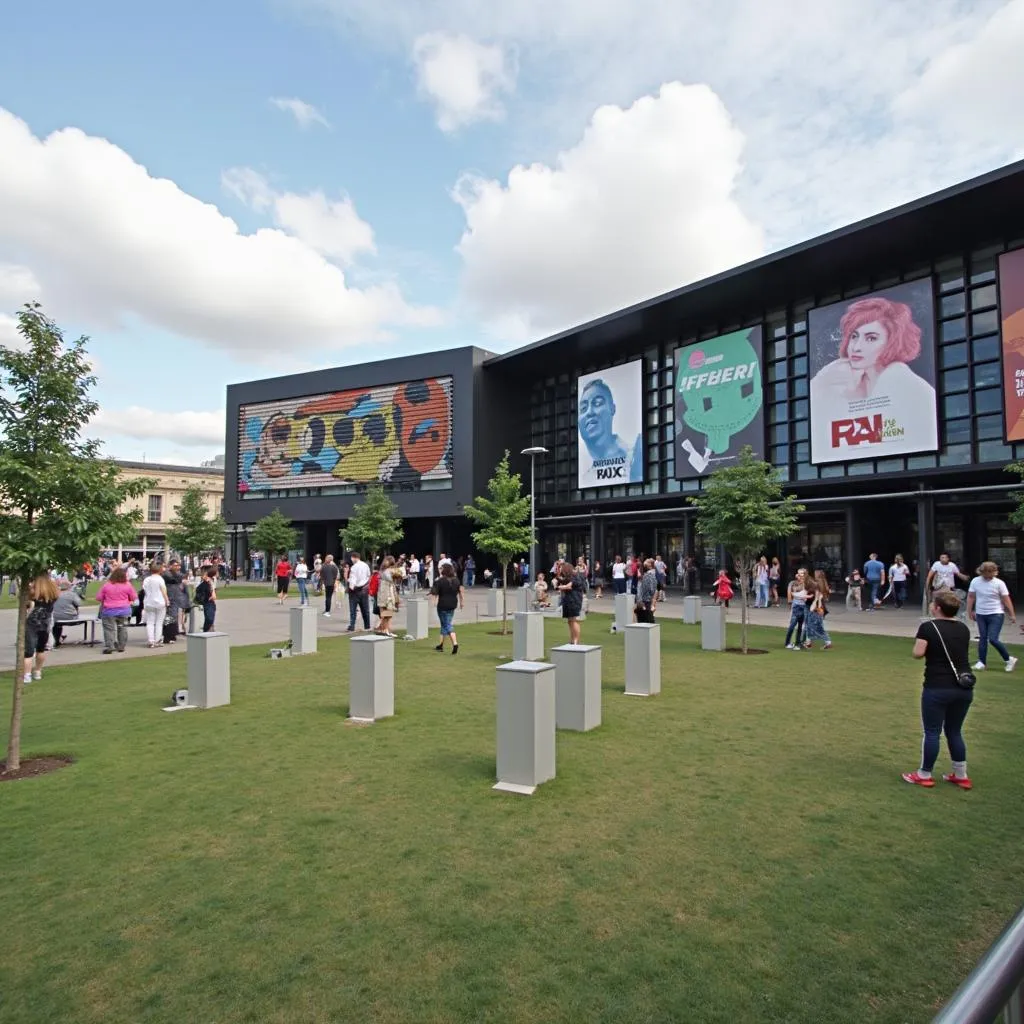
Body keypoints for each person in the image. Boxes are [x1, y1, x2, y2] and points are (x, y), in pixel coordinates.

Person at [809, 294, 937, 460]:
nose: (856, 347)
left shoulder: (900, 380)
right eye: (854, 336)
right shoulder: (841, 375)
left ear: (893, 342)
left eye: (871, 338)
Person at [902, 590, 975, 789]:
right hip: (963, 686)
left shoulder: (928, 627)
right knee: (954, 731)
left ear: (938, 608)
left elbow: (918, 653)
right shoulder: (963, 628)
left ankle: (924, 773)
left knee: (932, 731)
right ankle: (961, 774)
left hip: (937, 686)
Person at [577, 376, 643, 487]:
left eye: (597, 403)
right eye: (583, 408)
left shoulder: (637, 453)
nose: (589, 412)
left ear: (612, 409)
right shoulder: (585, 480)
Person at [966, 561, 1018, 673]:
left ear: (994, 572)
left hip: (996, 614)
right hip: (981, 614)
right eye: (985, 573)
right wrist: (969, 611)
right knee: (983, 638)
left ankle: (1009, 659)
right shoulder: (975, 581)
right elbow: (971, 597)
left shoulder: (999, 583)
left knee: (993, 639)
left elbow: (1006, 599)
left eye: (990, 573)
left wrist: (1012, 614)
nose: (988, 575)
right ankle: (981, 662)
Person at [23, 575, 60, 683]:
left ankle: (27, 675)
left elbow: (26, 604)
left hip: (32, 623)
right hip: (45, 623)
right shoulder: (52, 594)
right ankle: (38, 671)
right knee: (41, 649)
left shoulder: (33, 594)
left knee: (28, 652)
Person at [95, 566, 135, 654]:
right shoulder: (127, 585)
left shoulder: (107, 585)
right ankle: (121, 646)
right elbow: (133, 597)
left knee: (109, 629)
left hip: (109, 610)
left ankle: (110, 646)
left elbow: (98, 597)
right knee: (122, 628)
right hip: (124, 610)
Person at [431, 561, 464, 653]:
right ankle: (440, 645)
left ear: (444, 570)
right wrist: (462, 602)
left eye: (441, 568)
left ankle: (455, 643)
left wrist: (433, 602)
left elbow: (434, 593)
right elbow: (461, 592)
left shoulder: (439, 581)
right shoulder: (456, 580)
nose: (440, 570)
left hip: (443, 605)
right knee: (444, 624)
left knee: (447, 624)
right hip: (452, 604)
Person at [142, 564, 170, 648]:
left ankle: (151, 640)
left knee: (150, 622)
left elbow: (144, 589)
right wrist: (167, 600)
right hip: (160, 602)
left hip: (149, 602)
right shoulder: (160, 579)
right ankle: (157, 640)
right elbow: (163, 591)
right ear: (160, 570)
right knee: (159, 622)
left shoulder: (147, 579)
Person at [803, 572, 833, 649]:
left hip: (815, 608)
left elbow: (817, 598)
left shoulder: (816, 585)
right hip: (818, 608)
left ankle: (825, 641)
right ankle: (809, 641)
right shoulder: (822, 584)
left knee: (813, 625)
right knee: (812, 625)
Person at [557, 563, 586, 643]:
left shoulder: (576, 576)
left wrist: (559, 587)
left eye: (563, 569)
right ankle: (572, 640)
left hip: (574, 600)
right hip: (569, 600)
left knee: (574, 620)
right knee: (570, 621)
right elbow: (564, 582)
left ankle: (576, 640)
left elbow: (569, 586)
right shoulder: (571, 576)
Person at [51, 580, 82, 647]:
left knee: (57, 625)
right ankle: (58, 639)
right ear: (69, 587)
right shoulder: (72, 594)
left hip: (56, 617)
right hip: (70, 617)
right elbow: (79, 603)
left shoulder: (55, 594)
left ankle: (56, 640)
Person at [346, 551, 372, 632]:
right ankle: (367, 626)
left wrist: (350, 587)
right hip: (364, 589)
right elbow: (369, 575)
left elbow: (353, 580)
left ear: (354, 557)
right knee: (365, 609)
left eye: (352, 558)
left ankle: (352, 625)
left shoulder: (354, 567)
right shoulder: (365, 565)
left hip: (355, 590)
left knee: (353, 610)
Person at [375, 556, 399, 637]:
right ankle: (382, 629)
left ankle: (385, 630)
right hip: (385, 594)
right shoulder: (385, 571)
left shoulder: (385, 570)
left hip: (388, 593)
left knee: (388, 614)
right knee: (386, 613)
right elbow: (390, 579)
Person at [784, 569, 809, 650]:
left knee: (801, 626)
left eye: (802, 573)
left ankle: (798, 643)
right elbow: (790, 594)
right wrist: (790, 603)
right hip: (796, 606)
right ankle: (787, 642)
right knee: (792, 625)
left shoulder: (807, 583)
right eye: (798, 573)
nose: (800, 575)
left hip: (804, 606)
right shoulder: (793, 583)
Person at [634, 558, 659, 625]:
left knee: (645, 621)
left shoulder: (648, 575)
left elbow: (650, 589)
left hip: (645, 600)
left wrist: (640, 600)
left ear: (650, 565)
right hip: (647, 600)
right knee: (647, 620)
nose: (645, 562)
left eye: (647, 562)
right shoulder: (651, 575)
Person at [194, 567, 219, 632]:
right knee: (209, 618)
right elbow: (198, 590)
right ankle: (206, 630)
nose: (203, 576)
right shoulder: (205, 583)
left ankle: (207, 630)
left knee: (210, 619)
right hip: (207, 602)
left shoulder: (211, 581)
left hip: (211, 603)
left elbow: (214, 595)